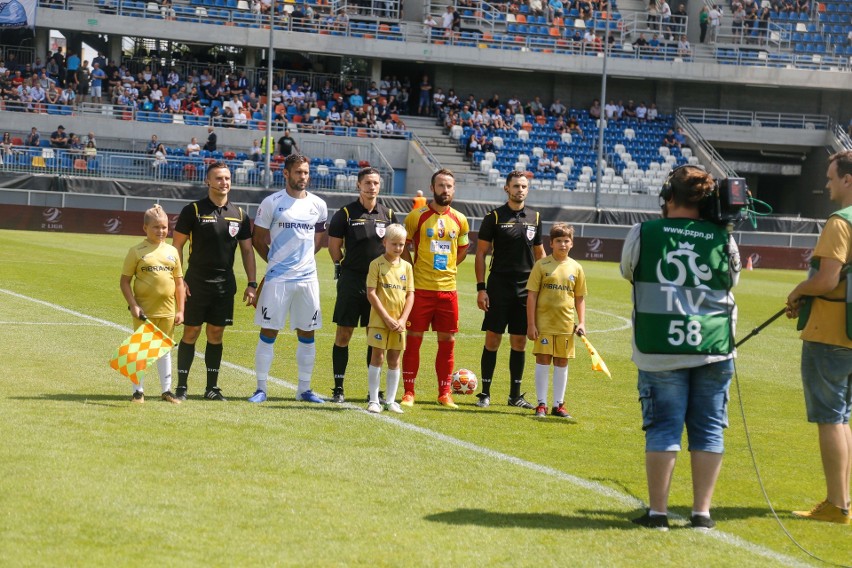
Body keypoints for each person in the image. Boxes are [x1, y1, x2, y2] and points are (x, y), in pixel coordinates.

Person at [621, 165, 741, 531]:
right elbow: (733, 277)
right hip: (714, 345)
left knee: (662, 429)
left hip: (660, 347)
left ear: (668, 196)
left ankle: (658, 513)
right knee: (709, 430)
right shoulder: (724, 236)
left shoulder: (643, 232)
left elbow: (629, 270)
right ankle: (701, 513)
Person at [785, 150, 852, 525]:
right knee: (842, 420)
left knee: (831, 420)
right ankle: (841, 501)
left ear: (848, 179)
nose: (826, 184)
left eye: (830, 177)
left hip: (830, 333)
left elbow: (827, 279)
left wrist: (798, 291)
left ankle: (837, 505)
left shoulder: (840, 222)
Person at [172, 162, 257, 401]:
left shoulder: (240, 214)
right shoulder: (193, 210)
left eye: (227, 178)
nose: (224, 182)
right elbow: (176, 247)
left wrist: (252, 283)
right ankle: (181, 386)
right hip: (195, 283)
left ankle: (212, 387)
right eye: (218, 178)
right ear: (208, 181)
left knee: (216, 333)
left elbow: (248, 251)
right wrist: (179, 280)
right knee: (191, 332)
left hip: (223, 285)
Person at [326, 167, 400, 403]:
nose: (372, 187)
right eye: (367, 183)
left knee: (375, 336)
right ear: (359, 185)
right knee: (344, 333)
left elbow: (395, 245)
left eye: (376, 183)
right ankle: (338, 388)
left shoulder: (388, 214)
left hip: (379, 285)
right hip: (352, 281)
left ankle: (374, 390)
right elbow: (334, 246)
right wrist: (341, 266)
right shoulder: (346, 213)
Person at [474, 171, 545, 409]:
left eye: (524, 186)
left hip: (526, 289)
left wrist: (544, 285)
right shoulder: (493, 217)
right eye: (516, 186)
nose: (520, 190)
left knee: (519, 342)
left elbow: (539, 254)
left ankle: (515, 396)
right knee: (493, 339)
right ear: (507, 188)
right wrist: (481, 289)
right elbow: (481, 254)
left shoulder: (535, 217)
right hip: (498, 286)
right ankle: (484, 393)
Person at [401, 169, 470, 408]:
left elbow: (463, 248)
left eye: (449, 186)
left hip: (448, 290)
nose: (445, 190)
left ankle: (444, 394)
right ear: (432, 188)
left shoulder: (460, 219)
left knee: (447, 341)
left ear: (454, 189)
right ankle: (409, 392)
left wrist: (451, 265)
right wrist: (412, 268)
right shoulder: (416, 216)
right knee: (413, 340)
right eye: (441, 185)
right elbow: (403, 246)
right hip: (420, 289)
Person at [119, 204, 185, 404]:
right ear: (145, 228)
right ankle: (137, 392)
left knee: (164, 350)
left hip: (167, 311)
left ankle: (166, 391)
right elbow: (124, 282)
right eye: (156, 227)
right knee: (141, 350)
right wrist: (133, 305)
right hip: (144, 311)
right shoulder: (137, 251)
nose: (161, 231)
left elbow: (179, 282)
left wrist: (181, 310)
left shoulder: (172, 251)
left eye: (164, 227)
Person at [526, 223, 586, 418]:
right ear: (550, 243)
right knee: (543, 360)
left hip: (565, 324)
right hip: (543, 324)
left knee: (562, 362)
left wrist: (582, 322)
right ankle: (541, 404)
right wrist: (531, 324)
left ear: (572, 244)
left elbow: (579, 298)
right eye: (558, 241)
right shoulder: (541, 265)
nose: (562, 244)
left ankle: (558, 405)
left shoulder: (576, 268)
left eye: (566, 241)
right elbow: (532, 296)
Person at [365, 224, 415, 414]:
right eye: (394, 244)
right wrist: (385, 317)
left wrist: (402, 320)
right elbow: (371, 293)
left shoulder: (407, 267)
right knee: (377, 357)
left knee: (395, 359)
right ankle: (374, 400)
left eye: (401, 245)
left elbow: (410, 295)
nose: (398, 248)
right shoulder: (376, 264)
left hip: (399, 323)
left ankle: (391, 400)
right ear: (384, 243)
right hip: (380, 321)